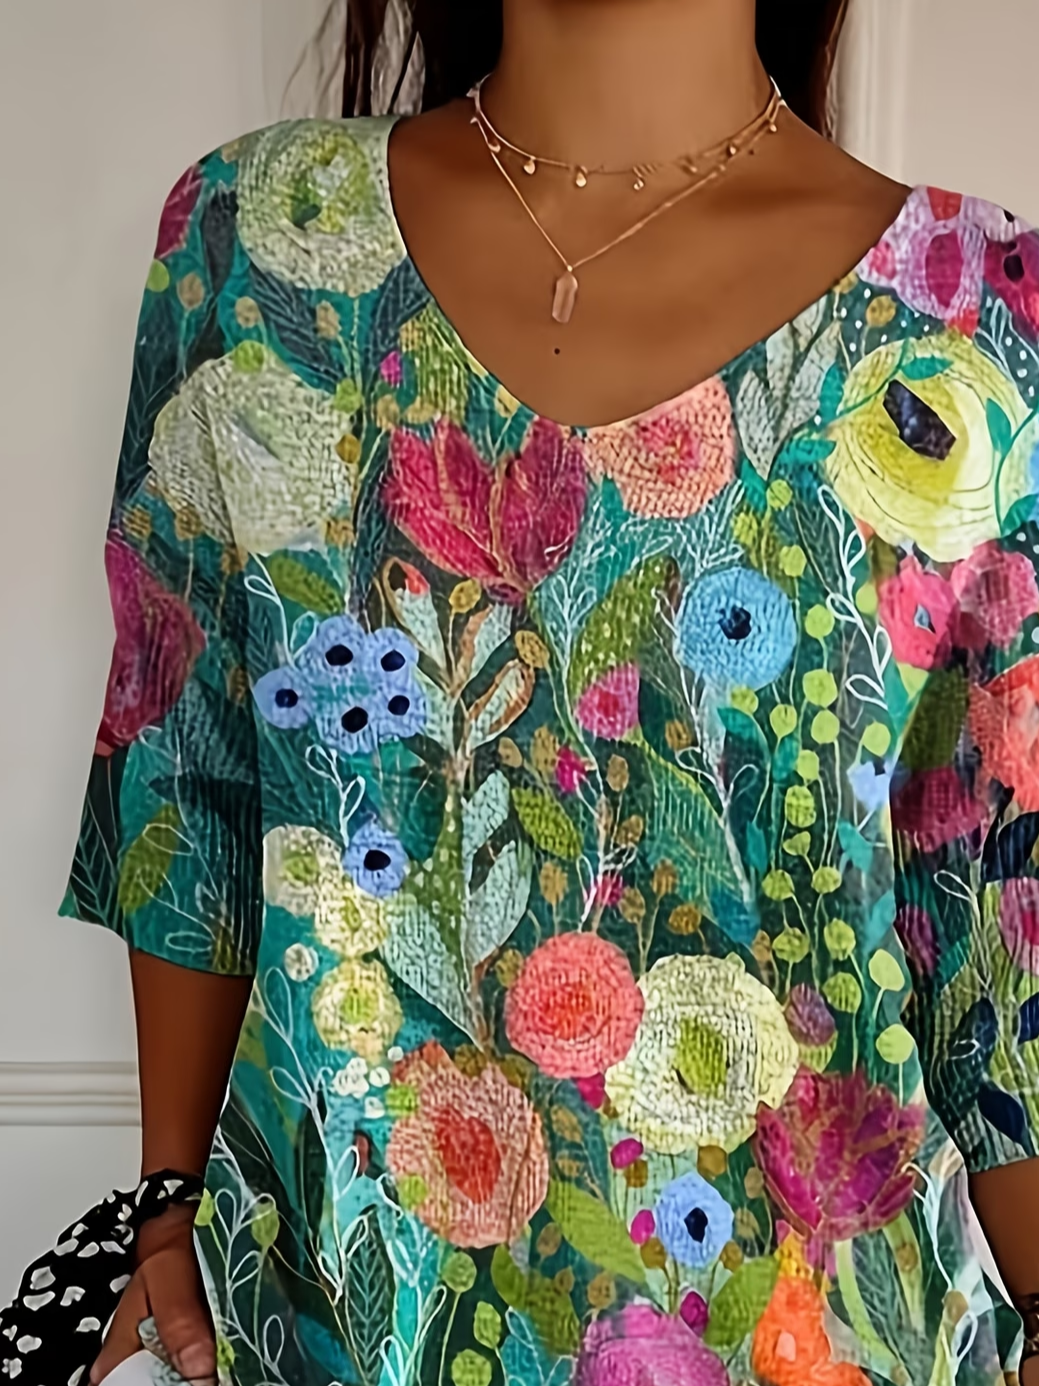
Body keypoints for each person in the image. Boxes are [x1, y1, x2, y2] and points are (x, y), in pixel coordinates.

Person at [41, 0, 1039, 1382]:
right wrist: (168, 1201)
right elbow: (186, 777)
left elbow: (995, 917)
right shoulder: (251, 242)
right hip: (344, 1321)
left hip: (830, 1336)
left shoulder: (976, 314)